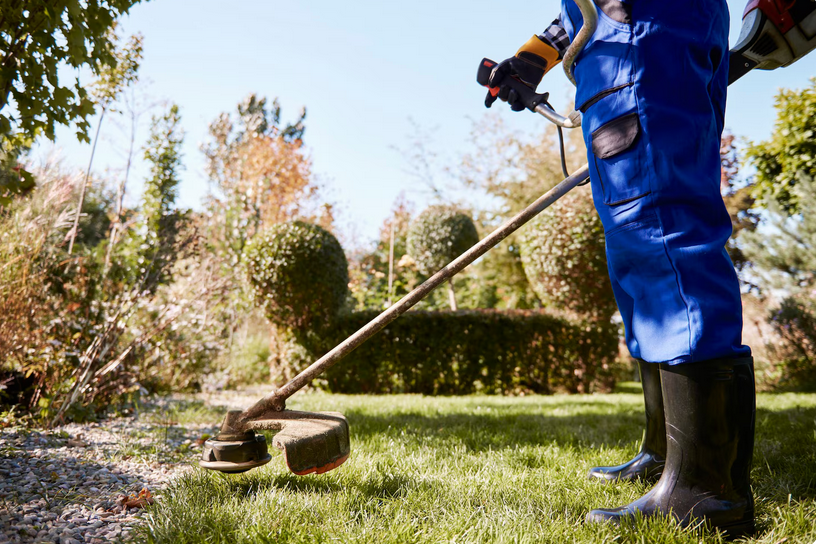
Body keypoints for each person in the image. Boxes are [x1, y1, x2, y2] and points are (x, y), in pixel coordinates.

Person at [485, 0, 756, 537]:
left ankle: (706, 487)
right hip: (624, 42)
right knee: (636, 253)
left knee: (660, 230)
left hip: (641, 34)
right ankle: (667, 454)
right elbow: (580, 12)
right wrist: (534, 56)